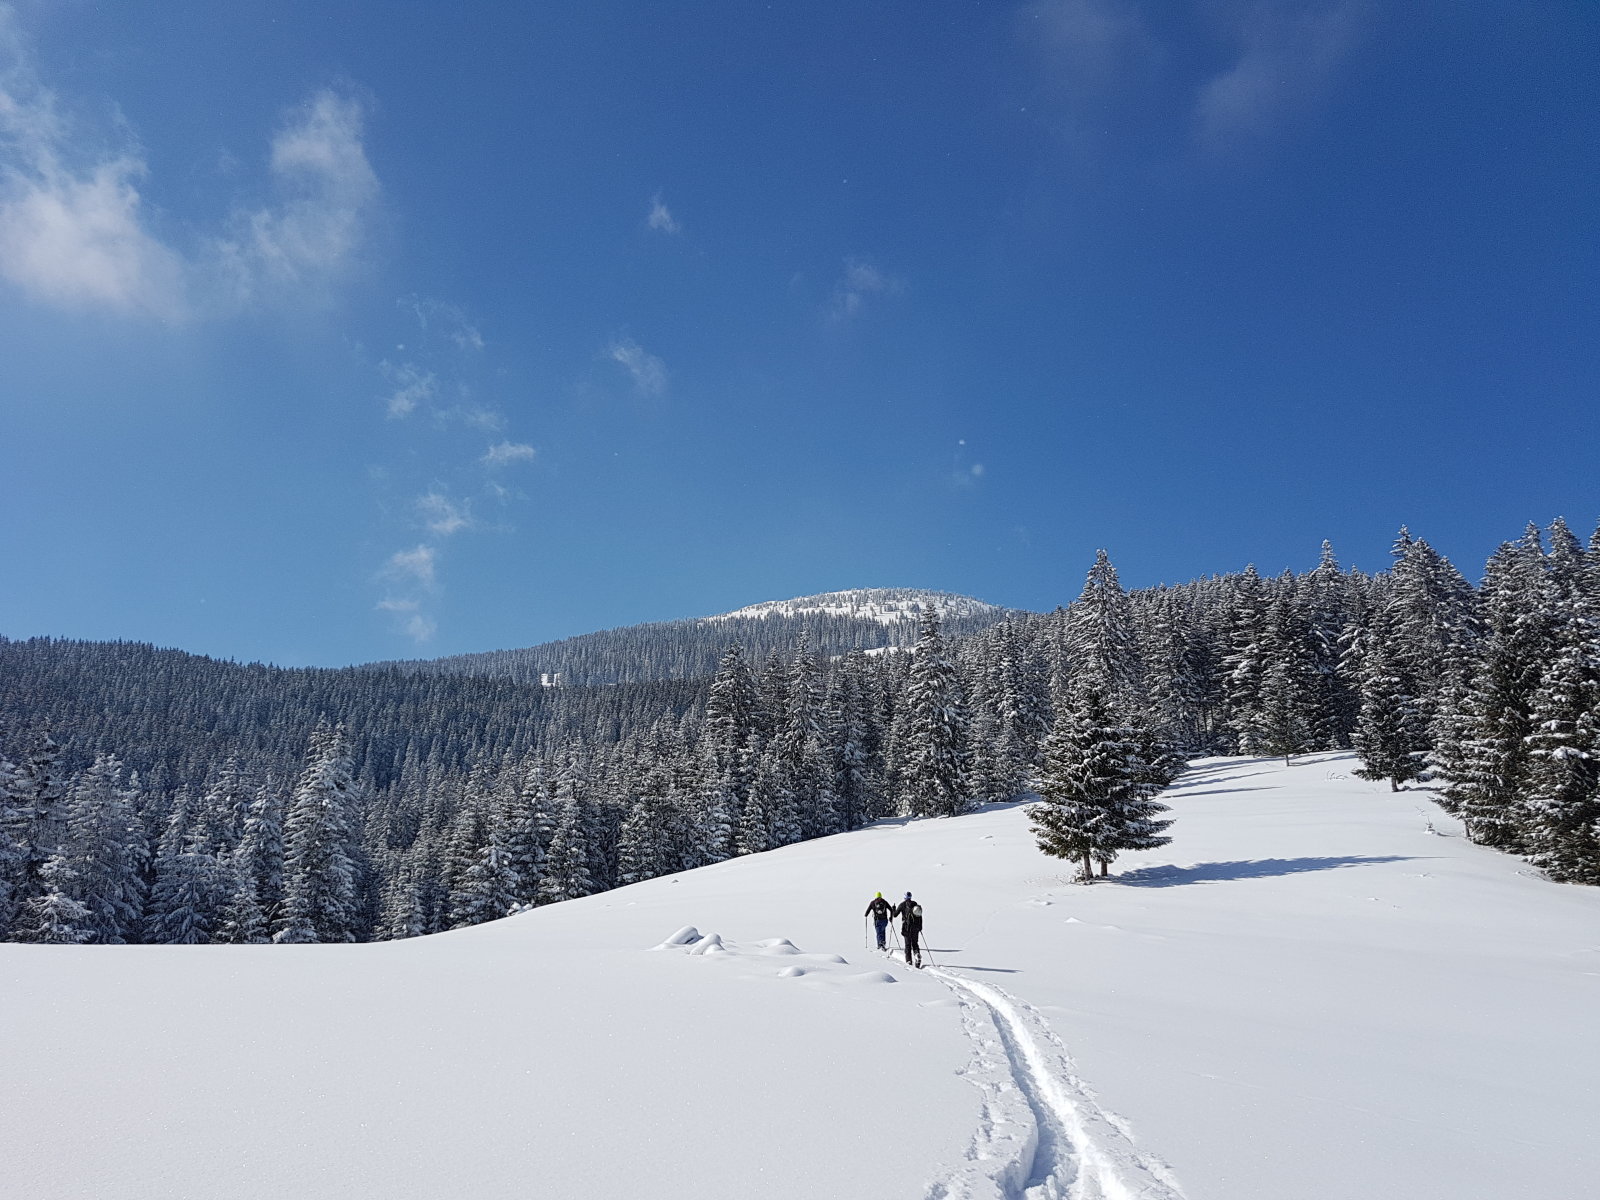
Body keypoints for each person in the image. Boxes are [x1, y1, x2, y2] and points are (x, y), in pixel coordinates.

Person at [892, 891, 923, 968]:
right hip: (916, 928)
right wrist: (920, 927)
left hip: (906, 928)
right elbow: (920, 917)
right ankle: (917, 955)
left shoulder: (902, 905)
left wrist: (893, 909)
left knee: (908, 945)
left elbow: (895, 915)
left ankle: (909, 961)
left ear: (905, 897)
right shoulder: (915, 905)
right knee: (915, 944)